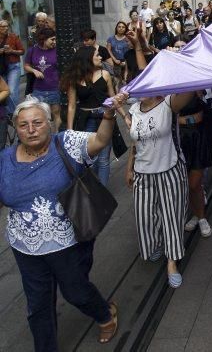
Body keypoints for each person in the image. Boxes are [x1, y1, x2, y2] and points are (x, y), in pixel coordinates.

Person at [0, 94, 127, 350]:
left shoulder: (65, 143)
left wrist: (109, 115)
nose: (31, 129)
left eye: (37, 122)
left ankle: (104, 313)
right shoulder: (4, 159)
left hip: (68, 241)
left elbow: (101, 140)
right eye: (23, 125)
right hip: (26, 245)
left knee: (76, 292)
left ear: (50, 122)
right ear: (16, 127)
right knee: (38, 306)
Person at [126, 34, 194, 288]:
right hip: (143, 174)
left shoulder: (168, 104)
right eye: (138, 83)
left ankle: (172, 260)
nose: (141, 87)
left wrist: (182, 62)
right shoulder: (134, 109)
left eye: (146, 83)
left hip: (169, 171)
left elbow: (188, 87)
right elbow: (137, 140)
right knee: (144, 217)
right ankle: (155, 245)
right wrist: (130, 167)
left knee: (172, 216)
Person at [62, 45, 129, 186]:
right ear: (88, 59)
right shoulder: (75, 79)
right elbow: (72, 105)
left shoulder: (104, 74)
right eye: (97, 55)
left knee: (104, 159)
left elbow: (113, 98)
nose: (100, 57)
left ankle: (102, 191)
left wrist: (125, 116)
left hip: (104, 118)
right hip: (86, 120)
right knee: (89, 158)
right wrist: (69, 131)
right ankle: (93, 189)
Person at [179, 91, 212, 238]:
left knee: (194, 183)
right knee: (185, 183)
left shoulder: (196, 84)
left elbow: (204, 113)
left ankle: (201, 217)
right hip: (177, 139)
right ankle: (196, 214)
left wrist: (183, 120)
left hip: (197, 137)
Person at [23, 27, 61, 132]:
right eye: (52, 39)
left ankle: (56, 137)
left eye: (55, 39)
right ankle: (45, 138)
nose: (55, 42)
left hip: (54, 87)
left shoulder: (58, 50)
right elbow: (26, 65)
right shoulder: (33, 50)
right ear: (43, 39)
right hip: (38, 89)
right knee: (41, 115)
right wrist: (34, 71)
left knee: (56, 113)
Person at [0, 19, 24, 113]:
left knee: (12, 91)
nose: (6, 28)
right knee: (5, 92)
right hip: (1, 68)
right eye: (3, 27)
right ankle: (8, 114)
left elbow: (22, 51)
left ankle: (13, 114)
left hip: (13, 66)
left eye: (7, 26)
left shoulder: (13, 37)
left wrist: (11, 51)